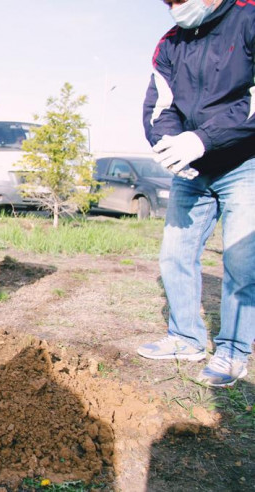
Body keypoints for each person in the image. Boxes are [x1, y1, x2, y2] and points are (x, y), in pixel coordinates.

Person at [137, 0, 255, 387]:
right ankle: (185, 338)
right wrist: (171, 144)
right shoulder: (170, 44)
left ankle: (234, 351)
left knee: (240, 261)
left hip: (245, 163)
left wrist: (203, 139)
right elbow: (160, 107)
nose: (173, 6)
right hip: (193, 170)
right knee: (175, 254)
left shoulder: (249, 19)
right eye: (167, 1)